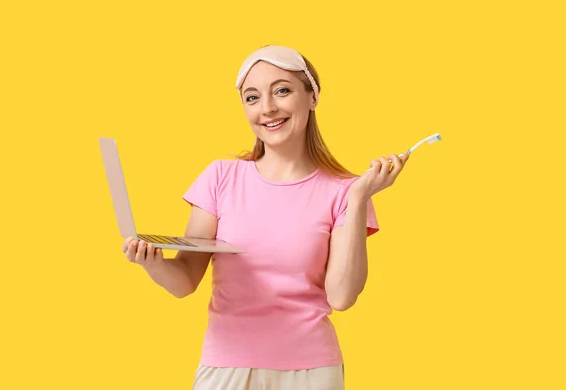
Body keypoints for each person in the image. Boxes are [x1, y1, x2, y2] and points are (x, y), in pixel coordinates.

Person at [121, 45, 410, 389]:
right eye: (252, 97)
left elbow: (342, 297)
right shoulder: (220, 177)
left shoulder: (346, 190)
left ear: (312, 96)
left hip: (311, 372)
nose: (268, 108)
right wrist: (151, 262)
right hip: (226, 368)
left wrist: (360, 196)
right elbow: (184, 281)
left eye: (282, 90)